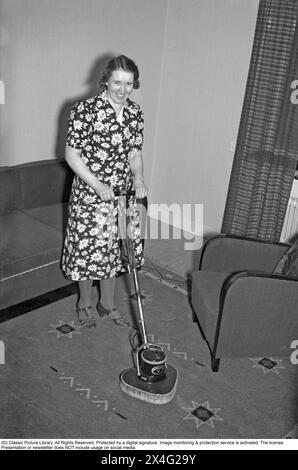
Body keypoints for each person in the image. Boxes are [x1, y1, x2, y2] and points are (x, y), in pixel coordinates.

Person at [61, 55, 147, 328]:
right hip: (90, 194)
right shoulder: (85, 110)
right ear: (106, 81)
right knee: (90, 251)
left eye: (129, 84)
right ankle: (84, 303)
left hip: (121, 195)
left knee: (115, 249)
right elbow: (72, 155)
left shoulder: (135, 113)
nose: (122, 90)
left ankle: (106, 303)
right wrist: (97, 185)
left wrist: (139, 177)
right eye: (117, 83)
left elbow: (135, 152)